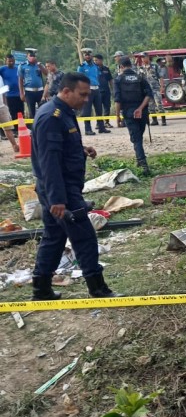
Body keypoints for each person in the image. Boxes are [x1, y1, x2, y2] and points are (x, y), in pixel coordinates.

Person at [30, 72, 122, 300]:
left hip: (57, 188)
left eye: (87, 95)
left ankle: (41, 289)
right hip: (61, 189)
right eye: (82, 95)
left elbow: (60, 149)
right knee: (85, 237)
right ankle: (98, 289)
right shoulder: (52, 117)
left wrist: (81, 150)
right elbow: (49, 162)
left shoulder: (63, 112)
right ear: (66, 91)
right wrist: (57, 199)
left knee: (54, 237)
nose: (85, 100)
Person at [115, 57, 153, 175]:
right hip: (142, 112)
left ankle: (143, 164)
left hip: (129, 113)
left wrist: (117, 117)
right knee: (138, 137)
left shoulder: (119, 79)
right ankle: (139, 158)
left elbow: (117, 100)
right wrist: (140, 108)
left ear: (121, 67)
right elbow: (148, 95)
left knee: (136, 139)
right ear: (130, 65)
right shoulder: (140, 78)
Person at [77, 48, 109, 135]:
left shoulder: (95, 66)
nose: (87, 56)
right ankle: (88, 129)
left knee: (99, 109)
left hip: (96, 88)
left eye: (89, 54)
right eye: (86, 55)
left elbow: (97, 76)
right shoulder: (81, 66)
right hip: (87, 90)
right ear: (84, 56)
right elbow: (79, 79)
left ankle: (101, 127)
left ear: (91, 55)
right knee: (87, 110)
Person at [137, 52, 166, 126]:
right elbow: (140, 79)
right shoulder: (141, 68)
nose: (143, 59)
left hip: (155, 88)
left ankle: (163, 120)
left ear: (148, 57)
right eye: (142, 58)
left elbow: (161, 76)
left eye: (144, 57)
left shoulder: (155, 66)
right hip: (147, 90)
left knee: (159, 104)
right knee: (150, 106)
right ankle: (154, 120)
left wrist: (162, 86)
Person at [18, 49, 48, 119]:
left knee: (42, 110)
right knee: (32, 112)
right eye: (30, 56)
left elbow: (46, 73)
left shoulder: (39, 65)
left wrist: (39, 65)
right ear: (27, 56)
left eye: (34, 56)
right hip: (29, 92)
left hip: (40, 91)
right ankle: (33, 128)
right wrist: (21, 93)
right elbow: (20, 80)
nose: (32, 57)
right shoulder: (22, 66)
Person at [0, 55, 23, 135]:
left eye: (12, 61)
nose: (11, 62)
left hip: (18, 95)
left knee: (20, 113)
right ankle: (11, 131)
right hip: (8, 95)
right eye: (9, 61)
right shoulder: (2, 69)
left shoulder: (17, 69)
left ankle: (19, 129)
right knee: (11, 113)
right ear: (6, 61)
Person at [0, 73, 20, 153]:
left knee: (8, 127)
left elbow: (3, 91)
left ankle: (14, 145)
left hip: (1, 106)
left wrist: (5, 105)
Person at [95, 54, 114, 130]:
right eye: (94, 60)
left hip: (106, 90)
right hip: (97, 91)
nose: (95, 61)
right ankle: (98, 123)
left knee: (107, 106)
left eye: (96, 60)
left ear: (101, 60)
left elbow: (110, 80)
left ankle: (106, 122)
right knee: (98, 107)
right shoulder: (94, 69)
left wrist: (113, 89)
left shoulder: (106, 69)